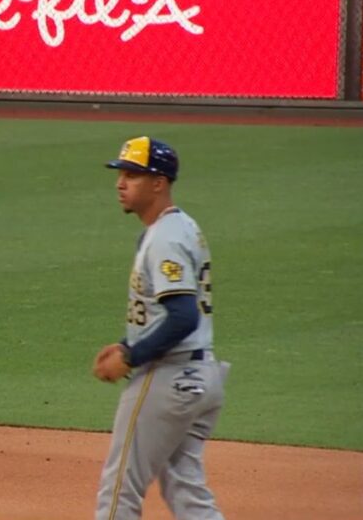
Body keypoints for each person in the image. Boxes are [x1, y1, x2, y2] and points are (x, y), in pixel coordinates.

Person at [92, 136, 230, 519]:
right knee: (185, 490)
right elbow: (166, 310)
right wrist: (126, 344)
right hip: (201, 376)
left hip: (168, 377)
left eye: (133, 175)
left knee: (119, 488)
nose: (121, 183)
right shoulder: (181, 227)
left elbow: (183, 316)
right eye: (121, 174)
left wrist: (131, 356)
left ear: (159, 183)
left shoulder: (165, 238)